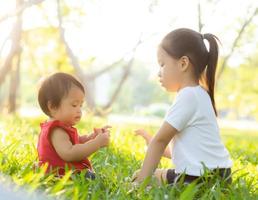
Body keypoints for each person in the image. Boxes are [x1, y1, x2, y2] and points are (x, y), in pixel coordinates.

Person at [133, 28, 232, 185]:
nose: (159, 73)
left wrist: (140, 183)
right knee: (150, 174)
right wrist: (152, 143)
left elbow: (160, 141)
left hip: (201, 179)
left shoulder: (188, 96)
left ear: (183, 63)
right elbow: (188, 152)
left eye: (162, 64)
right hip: (218, 176)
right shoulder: (199, 94)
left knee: (141, 177)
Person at [37, 72, 111, 179]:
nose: (79, 111)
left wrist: (90, 138)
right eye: (74, 105)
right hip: (60, 176)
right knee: (94, 179)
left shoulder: (60, 128)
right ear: (52, 106)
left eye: (81, 105)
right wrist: (97, 143)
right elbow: (69, 153)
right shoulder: (56, 131)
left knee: (94, 178)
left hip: (64, 174)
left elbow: (73, 142)